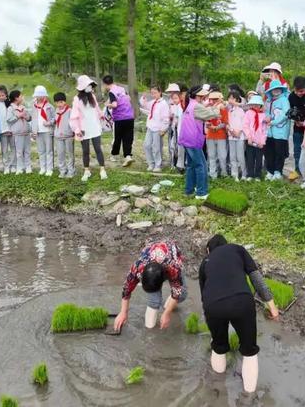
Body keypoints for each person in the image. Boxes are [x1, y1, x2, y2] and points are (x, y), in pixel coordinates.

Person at [199, 234, 280, 394]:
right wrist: (272, 307)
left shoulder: (205, 263)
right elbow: (256, 280)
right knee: (249, 352)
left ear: (209, 250)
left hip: (213, 306)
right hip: (242, 301)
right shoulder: (238, 250)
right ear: (226, 244)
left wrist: (213, 328)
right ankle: (248, 398)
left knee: (218, 347)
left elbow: (204, 297)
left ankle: (218, 391)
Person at [113, 239, 187, 331]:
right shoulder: (137, 267)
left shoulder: (174, 268)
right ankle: (149, 331)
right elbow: (126, 289)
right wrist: (123, 312)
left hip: (171, 255)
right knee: (154, 301)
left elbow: (177, 291)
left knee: (182, 295)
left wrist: (167, 313)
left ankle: (166, 306)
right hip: (151, 255)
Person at [178, 85, 221, 200]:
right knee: (201, 165)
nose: (204, 96)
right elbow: (213, 114)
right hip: (193, 140)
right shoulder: (196, 106)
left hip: (186, 139)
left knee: (191, 166)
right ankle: (201, 193)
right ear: (198, 95)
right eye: (202, 95)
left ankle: (189, 190)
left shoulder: (190, 103)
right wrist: (218, 106)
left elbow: (202, 112)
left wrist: (210, 106)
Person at [70, 75, 107, 181]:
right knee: (85, 150)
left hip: (94, 126)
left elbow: (97, 108)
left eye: (90, 85)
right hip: (83, 128)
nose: (90, 87)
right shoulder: (77, 99)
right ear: (82, 86)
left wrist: (101, 115)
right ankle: (86, 170)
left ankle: (102, 169)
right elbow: (74, 116)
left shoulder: (92, 96)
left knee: (98, 149)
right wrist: (77, 130)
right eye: (88, 85)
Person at [104, 75, 135, 167]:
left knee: (118, 138)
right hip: (129, 116)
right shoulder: (122, 88)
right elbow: (128, 98)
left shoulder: (111, 92)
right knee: (128, 138)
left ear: (105, 84)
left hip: (120, 118)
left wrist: (107, 104)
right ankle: (128, 156)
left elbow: (114, 104)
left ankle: (114, 155)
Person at [263, 79, 291, 181]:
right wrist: (267, 117)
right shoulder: (268, 101)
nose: (276, 91)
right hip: (269, 132)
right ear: (270, 91)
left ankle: (278, 171)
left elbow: (285, 114)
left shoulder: (284, 100)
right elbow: (265, 112)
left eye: (278, 89)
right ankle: (270, 171)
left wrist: (273, 122)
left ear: (281, 89)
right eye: (274, 89)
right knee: (269, 152)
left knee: (279, 152)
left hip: (281, 132)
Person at [140, 86, 170, 172]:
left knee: (156, 147)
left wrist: (163, 129)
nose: (153, 95)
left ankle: (158, 165)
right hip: (150, 126)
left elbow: (166, 118)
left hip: (158, 128)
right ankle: (151, 163)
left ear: (160, 92)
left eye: (155, 93)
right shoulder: (153, 102)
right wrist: (144, 97)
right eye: (152, 93)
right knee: (147, 145)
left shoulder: (164, 104)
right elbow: (145, 105)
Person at [31, 85, 56, 176]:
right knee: (41, 151)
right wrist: (33, 131)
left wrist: (49, 122)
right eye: (38, 95)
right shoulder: (33, 106)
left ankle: (49, 168)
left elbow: (55, 118)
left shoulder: (49, 106)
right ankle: (43, 167)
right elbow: (33, 119)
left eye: (41, 95)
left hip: (48, 131)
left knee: (49, 150)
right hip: (38, 132)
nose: (39, 97)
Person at [6, 90, 32, 175]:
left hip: (26, 133)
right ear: (16, 98)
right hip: (17, 134)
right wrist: (18, 116)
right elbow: (9, 120)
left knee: (27, 151)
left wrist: (26, 116)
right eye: (21, 96)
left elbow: (29, 118)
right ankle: (19, 168)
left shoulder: (23, 107)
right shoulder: (11, 108)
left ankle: (28, 167)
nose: (22, 97)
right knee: (19, 152)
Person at [206, 91, 229, 179]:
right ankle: (213, 174)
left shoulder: (223, 109)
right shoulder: (208, 109)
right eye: (212, 99)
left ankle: (224, 173)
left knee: (222, 156)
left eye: (216, 99)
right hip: (210, 135)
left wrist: (217, 127)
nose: (214, 101)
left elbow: (225, 122)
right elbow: (206, 121)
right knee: (211, 155)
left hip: (221, 135)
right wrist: (210, 126)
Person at [243, 95, 266, 181]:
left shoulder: (263, 115)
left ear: (261, 105)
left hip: (259, 141)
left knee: (259, 159)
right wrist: (249, 137)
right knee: (250, 158)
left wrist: (262, 141)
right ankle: (250, 174)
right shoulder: (248, 113)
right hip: (250, 140)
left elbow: (264, 129)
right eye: (254, 104)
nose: (256, 106)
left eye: (258, 104)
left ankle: (258, 175)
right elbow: (245, 125)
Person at [53, 92, 75, 179]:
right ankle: (62, 170)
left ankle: (71, 171)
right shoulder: (56, 111)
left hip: (68, 135)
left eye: (61, 102)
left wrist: (74, 132)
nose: (59, 104)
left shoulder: (70, 111)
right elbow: (55, 121)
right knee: (60, 154)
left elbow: (73, 123)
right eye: (57, 102)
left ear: (65, 102)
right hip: (58, 136)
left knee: (70, 154)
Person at [0, 85, 14, 174]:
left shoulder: (10, 103)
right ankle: (6, 166)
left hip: (12, 130)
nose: (1, 97)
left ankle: (13, 165)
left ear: (6, 95)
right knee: (4, 149)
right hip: (2, 131)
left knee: (13, 148)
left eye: (3, 95)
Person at [227, 90, 246, 182]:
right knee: (232, 156)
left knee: (240, 156)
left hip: (240, 136)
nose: (231, 100)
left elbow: (244, 123)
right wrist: (231, 131)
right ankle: (234, 174)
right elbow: (227, 122)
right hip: (231, 136)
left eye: (233, 98)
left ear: (237, 99)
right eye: (230, 98)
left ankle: (244, 173)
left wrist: (239, 132)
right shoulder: (228, 110)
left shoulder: (241, 110)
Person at [165, 83, 184, 171]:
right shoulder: (171, 104)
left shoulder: (182, 106)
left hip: (180, 130)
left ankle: (180, 165)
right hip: (173, 128)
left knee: (180, 148)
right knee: (172, 146)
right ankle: (173, 163)